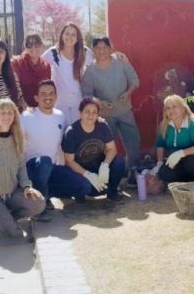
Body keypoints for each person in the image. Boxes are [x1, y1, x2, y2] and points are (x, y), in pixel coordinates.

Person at [0, 98, 45, 238]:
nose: (6, 116)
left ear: (15, 116)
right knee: (15, 234)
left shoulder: (17, 138)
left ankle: (2, 218)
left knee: (38, 203)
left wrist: (27, 187)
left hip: (11, 194)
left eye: (10, 113)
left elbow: (21, 166)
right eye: (2, 113)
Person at [81, 36, 141, 186]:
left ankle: (132, 174)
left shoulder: (120, 62)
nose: (101, 51)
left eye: (104, 47)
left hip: (125, 111)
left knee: (133, 143)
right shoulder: (90, 71)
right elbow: (86, 93)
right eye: (98, 48)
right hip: (105, 116)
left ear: (110, 48)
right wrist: (99, 102)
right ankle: (108, 178)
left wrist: (128, 93)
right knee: (105, 149)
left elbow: (135, 80)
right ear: (93, 50)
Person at [61, 98, 126, 202]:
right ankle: (80, 192)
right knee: (87, 188)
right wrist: (87, 174)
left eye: (94, 112)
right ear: (80, 113)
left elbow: (112, 149)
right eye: (87, 112)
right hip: (81, 171)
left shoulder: (102, 126)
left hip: (98, 167)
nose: (91, 115)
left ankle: (112, 192)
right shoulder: (71, 132)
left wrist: (105, 165)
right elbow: (69, 161)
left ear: (98, 114)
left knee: (119, 161)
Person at [21, 79, 66, 220]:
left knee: (82, 186)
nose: (48, 97)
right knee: (45, 161)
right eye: (43, 94)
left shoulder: (61, 116)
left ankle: (47, 194)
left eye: (52, 93)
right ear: (36, 98)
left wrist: (98, 120)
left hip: (51, 168)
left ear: (56, 96)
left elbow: (69, 138)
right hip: (32, 169)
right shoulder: (26, 117)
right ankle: (38, 207)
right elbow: (17, 145)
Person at [152, 95, 194, 184]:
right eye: (168, 108)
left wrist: (180, 153)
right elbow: (160, 143)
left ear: (183, 108)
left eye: (174, 107)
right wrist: (159, 163)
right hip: (182, 161)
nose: (171, 110)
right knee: (164, 173)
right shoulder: (165, 125)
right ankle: (189, 184)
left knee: (191, 161)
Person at [42, 23, 94, 125]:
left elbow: (100, 60)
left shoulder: (84, 52)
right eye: (67, 33)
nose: (69, 37)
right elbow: (37, 62)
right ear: (62, 35)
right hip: (60, 101)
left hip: (78, 100)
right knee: (61, 134)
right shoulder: (53, 53)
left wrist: (116, 55)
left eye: (73, 34)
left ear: (77, 37)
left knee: (77, 133)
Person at [11, 33, 51, 107]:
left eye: (37, 44)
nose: (33, 48)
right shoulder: (16, 63)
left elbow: (47, 89)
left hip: (41, 109)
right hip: (22, 109)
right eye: (29, 45)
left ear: (42, 46)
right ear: (25, 47)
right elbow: (13, 89)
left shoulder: (46, 67)